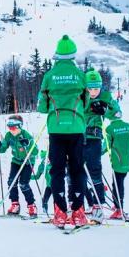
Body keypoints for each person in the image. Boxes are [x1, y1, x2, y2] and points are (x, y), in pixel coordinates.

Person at [37, 35, 89, 228]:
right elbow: (87, 102)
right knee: (77, 170)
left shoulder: (49, 76)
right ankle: (78, 212)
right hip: (76, 128)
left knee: (57, 170)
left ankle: (60, 212)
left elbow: (42, 107)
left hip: (56, 130)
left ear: (57, 55)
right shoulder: (80, 75)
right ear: (73, 54)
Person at [83, 69, 119, 218]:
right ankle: (82, 204)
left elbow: (117, 113)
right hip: (78, 136)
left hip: (95, 136)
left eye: (96, 88)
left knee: (94, 170)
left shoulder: (106, 96)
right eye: (89, 88)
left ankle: (99, 205)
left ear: (101, 87)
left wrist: (105, 110)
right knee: (77, 171)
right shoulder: (81, 96)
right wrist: (90, 107)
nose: (92, 92)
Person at [0, 115, 38, 217]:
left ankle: (31, 205)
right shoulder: (8, 136)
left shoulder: (26, 135)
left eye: (14, 127)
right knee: (11, 181)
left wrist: (27, 145)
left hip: (27, 162)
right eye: (9, 127)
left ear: (20, 126)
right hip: (16, 161)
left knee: (23, 184)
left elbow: (36, 151)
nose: (11, 130)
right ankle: (15, 205)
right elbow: (3, 149)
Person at [104, 109, 129, 220]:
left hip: (117, 161)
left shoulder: (109, 129)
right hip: (126, 161)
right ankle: (118, 205)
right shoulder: (128, 126)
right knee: (119, 183)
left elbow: (106, 146)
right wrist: (127, 153)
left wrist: (95, 154)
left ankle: (119, 209)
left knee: (117, 185)